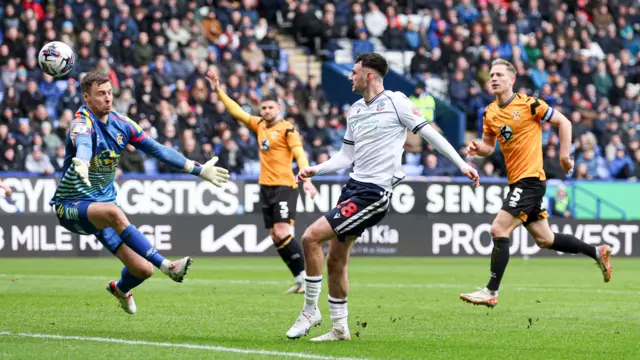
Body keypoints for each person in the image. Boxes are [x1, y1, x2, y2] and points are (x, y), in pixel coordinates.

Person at [286, 52, 480, 341]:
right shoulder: (355, 110)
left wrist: (462, 164)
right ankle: (340, 328)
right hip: (353, 187)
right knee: (335, 259)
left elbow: (431, 135)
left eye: (353, 72)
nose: (349, 77)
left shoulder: (396, 102)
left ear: (368, 75)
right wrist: (316, 169)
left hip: (374, 193)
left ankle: (310, 310)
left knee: (310, 237)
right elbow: (346, 155)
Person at [49, 71, 230, 314]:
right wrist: (82, 161)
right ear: (86, 97)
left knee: (142, 270)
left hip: (101, 208)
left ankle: (120, 289)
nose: (107, 98)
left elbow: (158, 150)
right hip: (71, 207)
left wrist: (197, 169)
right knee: (114, 213)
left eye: (110, 92)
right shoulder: (82, 122)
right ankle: (168, 265)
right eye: (100, 94)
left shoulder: (122, 124)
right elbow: (82, 141)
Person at [459, 59, 612, 308]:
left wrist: (564, 156)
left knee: (499, 229)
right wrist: (479, 149)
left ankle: (491, 290)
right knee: (545, 239)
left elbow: (565, 122)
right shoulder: (489, 112)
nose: (494, 78)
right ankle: (597, 251)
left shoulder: (529, 104)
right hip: (518, 181)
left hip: (530, 180)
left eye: (499, 74)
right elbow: (489, 146)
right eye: (491, 75)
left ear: (512, 79)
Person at [206, 70, 318, 294]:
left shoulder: (287, 129)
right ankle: (299, 278)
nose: (266, 111)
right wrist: (219, 90)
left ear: (279, 109)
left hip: (285, 186)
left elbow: (299, 153)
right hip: (265, 187)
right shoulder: (259, 125)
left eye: (270, 107)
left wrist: (307, 178)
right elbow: (236, 111)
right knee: (275, 235)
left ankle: (308, 278)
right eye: (263, 107)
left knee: (283, 231)